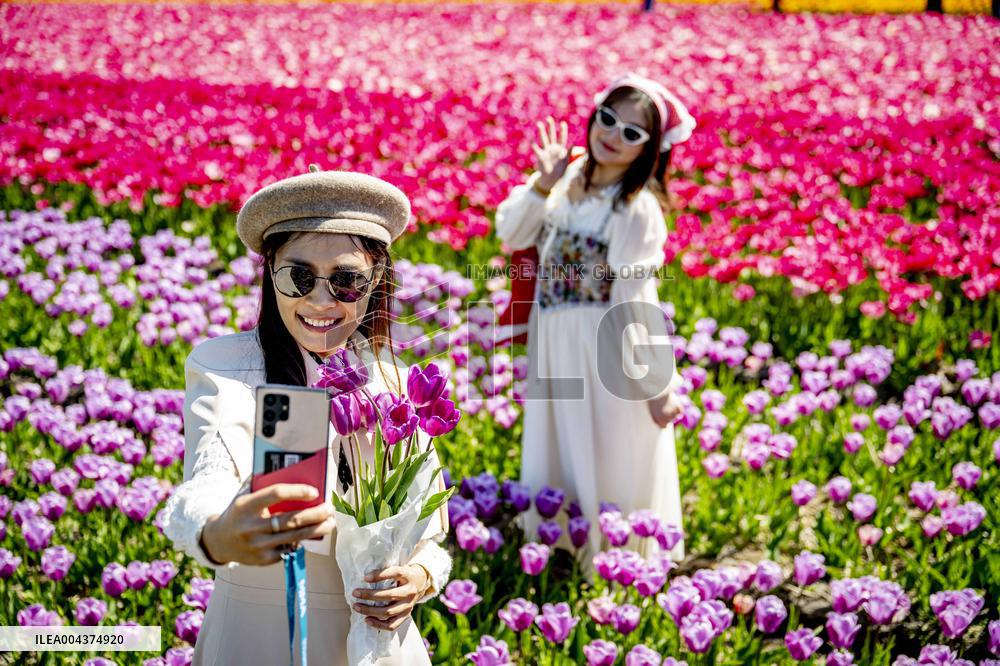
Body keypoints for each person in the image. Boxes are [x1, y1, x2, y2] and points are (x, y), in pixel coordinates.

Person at [161, 169, 452, 665]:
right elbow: (207, 477)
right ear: (269, 270)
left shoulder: (394, 383)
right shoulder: (226, 368)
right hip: (259, 632)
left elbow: (430, 536)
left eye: (346, 280)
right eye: (298, 277)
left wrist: (419, 579)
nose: (320, 301)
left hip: (378, 643)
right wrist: (216, 533)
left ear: (376, 279)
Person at [495, 73, 696, 561]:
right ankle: (558, 544)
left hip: (606, 347)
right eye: (608, 119)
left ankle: (613, 557)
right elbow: (510, 233)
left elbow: (635, 297)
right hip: (554, 336)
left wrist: (655, 382)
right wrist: (541, 186)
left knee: (607, 444)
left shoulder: (638, 209)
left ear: (650, 149)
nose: (612, 135)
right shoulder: (565, 179)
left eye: (632, 133)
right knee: (559, 437)